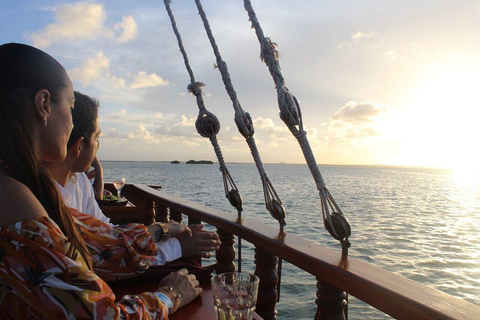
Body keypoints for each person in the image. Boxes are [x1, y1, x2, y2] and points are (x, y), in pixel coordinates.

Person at [0, 42, 201, 319]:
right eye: (70, 106)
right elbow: (102, 315)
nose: (72, 123)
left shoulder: (20, 184)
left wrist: (165, 231)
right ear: (44, 104)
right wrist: (169, 296)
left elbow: (97, 247)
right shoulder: (12, 198)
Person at [44, 91, 221, 272]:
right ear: (80, 145)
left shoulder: (79, 180)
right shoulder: (40, 200)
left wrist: (163, 235)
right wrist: (177, 245)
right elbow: (107, 257)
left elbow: (108, 233)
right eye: (97, 137)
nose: (99, 145)